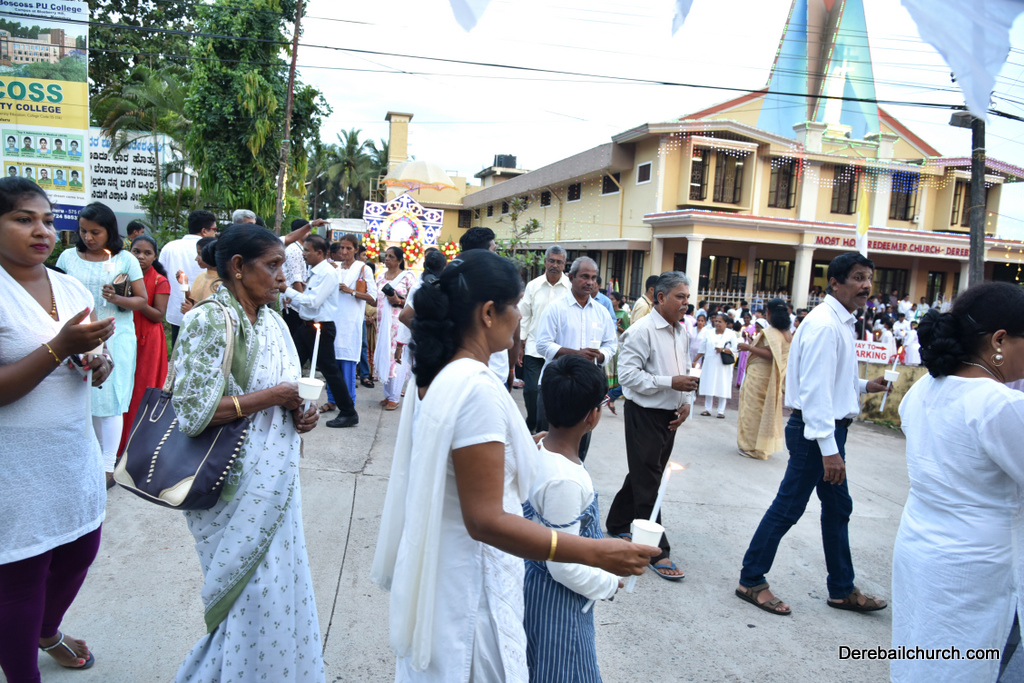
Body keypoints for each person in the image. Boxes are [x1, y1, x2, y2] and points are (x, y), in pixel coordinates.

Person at [371, 249, 656, 681]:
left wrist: (520, 443)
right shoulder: (478, 390)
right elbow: (484, 520)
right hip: (471, 585)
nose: (520, 317)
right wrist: (596, 551)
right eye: (516, 305)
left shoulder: (447, 374)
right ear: (488, 313)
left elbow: (464, 458)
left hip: (449, 571)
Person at [171, 224, 323, 682]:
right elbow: (193, 413)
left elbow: (289, 393)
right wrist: (274, 397)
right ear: (238, 267)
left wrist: (301, 414)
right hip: (230, 486)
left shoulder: (274, 323)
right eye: (273, 266)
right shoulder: (208, 321)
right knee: (249, 595)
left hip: (277, 482)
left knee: (277, 590)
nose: (283, 277)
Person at [0, 178, 115, 681]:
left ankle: (46, 631)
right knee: (21, 578)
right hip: (14, 467)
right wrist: (59, 348)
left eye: (47, 220)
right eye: (23, 219)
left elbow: (90, 354)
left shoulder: (68, 286)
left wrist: (98, 361)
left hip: (71, 454)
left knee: (79, 552)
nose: (42, 231)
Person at [736, 252, 891, 616]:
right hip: (817, 434)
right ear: (835, 282)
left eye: (868, 278)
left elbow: (831, 379)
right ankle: (751, 579)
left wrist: (865, 385)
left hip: (827, 432)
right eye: (858, 277)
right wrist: (829, 449)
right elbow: (816, 392)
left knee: (838, 509)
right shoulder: (824, 324)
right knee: (788, 508)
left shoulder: (839, 321)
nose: (866, 285)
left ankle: (842, 589)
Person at [891, 282, 1024, 683]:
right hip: (977, 567)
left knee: (925, 655)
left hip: (923, 549)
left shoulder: (923, 389)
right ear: (999, 340)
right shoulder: (1000, 404)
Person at [523, 356, 623, 681]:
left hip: (534, 589)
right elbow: (562, 565)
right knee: (563, 670)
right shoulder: (566, 480)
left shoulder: (538, 448)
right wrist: (607, 583)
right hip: (557, 605)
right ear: (592, 416)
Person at [606, 271, 697, 581]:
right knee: (650, 481)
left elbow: (685, 371)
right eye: (680, 297)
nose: (686, 303)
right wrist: (669, 383)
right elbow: (628, 377)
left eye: (687, 297)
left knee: (644, 473)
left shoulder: (681, 332)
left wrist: (685, 402)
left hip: (669, 416)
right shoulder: (641, 331)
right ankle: (656, 549)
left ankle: (618, 521)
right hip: (643, 414)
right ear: (660, 297)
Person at [57, 202, 147, 484]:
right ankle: (91, 458)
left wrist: (117, 298)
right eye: (83, 231)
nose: (88, 237)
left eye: (95, 232)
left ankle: (108, 467)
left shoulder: (124, 260)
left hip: (114, 334)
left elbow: (141, 300)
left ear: (109, 230)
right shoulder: (68, 258)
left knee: (109, 399)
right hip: (76, 336)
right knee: (82, 399)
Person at [535, 256, 617, 462]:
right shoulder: (555, 308)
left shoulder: (602, 312)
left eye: (594, 278)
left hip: (586, 387)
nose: (590, 282)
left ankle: (575, 475)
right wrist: (575, 354)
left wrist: (600, 355)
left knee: (579, 446)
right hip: (556, 385)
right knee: (547, 443)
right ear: (571, 277)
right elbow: (542, 345)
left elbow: (611, 345)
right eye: (584, 277)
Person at [282, 234, 358, 429]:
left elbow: (313, 302)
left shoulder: (327, 273)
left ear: (319, 253)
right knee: (291, 364)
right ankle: (285, 403)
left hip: (320, 328)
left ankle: (348, 412)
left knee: (330, 371)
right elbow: (309, 300)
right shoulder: (316, 271)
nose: (304, 254)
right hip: (307, 326)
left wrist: (287, 290)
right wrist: (293, 297)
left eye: (307, 250)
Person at [116, 235, 171, 457]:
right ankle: (117, 438)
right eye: (136, 251)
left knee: (141, 387)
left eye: (147, 253)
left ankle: (136, 441)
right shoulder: (122, 277)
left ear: (155, 256)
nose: (141, 257)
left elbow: (158, 315)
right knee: (122, 385)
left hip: (148, 338)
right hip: (124, 333)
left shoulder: (160, 281)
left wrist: (138, 302)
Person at [518, 244, 571, 433]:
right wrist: (520, 344)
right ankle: (533, 422)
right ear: (545, 262)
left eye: (559, 262)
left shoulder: (570, 288)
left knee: (555, 392)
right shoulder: (533, 286)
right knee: (531, 390)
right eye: (551, 261)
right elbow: (524, 316)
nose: (555, 265)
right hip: (534, 348)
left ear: (564, 264)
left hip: (560, 350)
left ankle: (549, 428)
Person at [458, 228, 519, 389]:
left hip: (495, 371)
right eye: (494, 250)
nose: (518, 315)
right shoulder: (498, 285)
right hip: (488, 375)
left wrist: (511, 368)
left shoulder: (454, 281)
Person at [321, 234, 376, 413]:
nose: (344, 252)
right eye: (342, 248)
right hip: (333, 320)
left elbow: (373, 297)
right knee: (332, 363)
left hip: (351, 322)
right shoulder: (334, 268)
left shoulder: (363, 269)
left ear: (356, 250)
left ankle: (349, 404)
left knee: (347, 364)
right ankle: (331, 400)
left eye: (348, 248)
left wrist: (351, 291)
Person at [736, 298, 793, 460]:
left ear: (768, 312)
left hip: (760, 377)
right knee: (762, 412)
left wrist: (748, 347)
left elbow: (770, 354)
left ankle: (751, 447)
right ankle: (762, 446)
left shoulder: (772, 332)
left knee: (752, 411)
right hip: (770, 377)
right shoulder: (787, 332)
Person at [160, 210, 217, 346]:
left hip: (188, 314)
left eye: (199, 255)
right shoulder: (210, 249)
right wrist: (184, 285)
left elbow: (161, 276)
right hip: (190, 311)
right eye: (214, 229)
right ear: (204, 230)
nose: (215, 233)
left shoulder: (170, 247)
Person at [375, 246, 417, 410]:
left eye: (391, 257)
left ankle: (394, 396)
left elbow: (413, 301)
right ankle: (387, 394)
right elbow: (376, 299)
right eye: (386, 256)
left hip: (398, 323)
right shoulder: (380, 277)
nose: (387, 259)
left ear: (400, 260)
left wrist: (398, 301)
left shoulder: (407, 277)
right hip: (382, 323)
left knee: (397, 358)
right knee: (385, 354)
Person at [693, 313, 737, 418]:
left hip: (723, 365)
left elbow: (735, 348)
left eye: (720, 321)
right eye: (716, 321)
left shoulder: (731, 334)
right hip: (710, 363)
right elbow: (702, 348)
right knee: (709, 383)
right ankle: (707, 409)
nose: (717, 323)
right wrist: (694, 360)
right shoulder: (709, 333)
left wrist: (724, 350)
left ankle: (721, 411)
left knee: (723, 385)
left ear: (726, 323)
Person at [604, 290, 630, 414]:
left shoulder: (623, 314)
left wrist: (617, 327)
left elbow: (628, 331)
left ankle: (612, 395)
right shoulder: (606, 311)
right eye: (609, 298)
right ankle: (609, 394)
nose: (610, 301)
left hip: (618, 342)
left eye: (613, 299)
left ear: (619, 301)